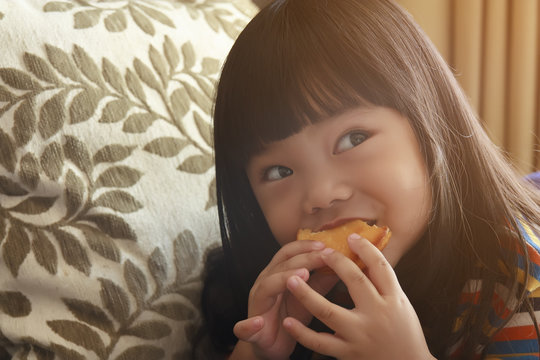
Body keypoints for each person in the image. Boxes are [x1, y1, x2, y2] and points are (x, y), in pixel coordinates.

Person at [197, 0, 540, 358]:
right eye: (279, 172)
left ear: (430, 121)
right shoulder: (292, 295)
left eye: (353, 139)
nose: (321, 194)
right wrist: (258, 353)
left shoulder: (518, 282)